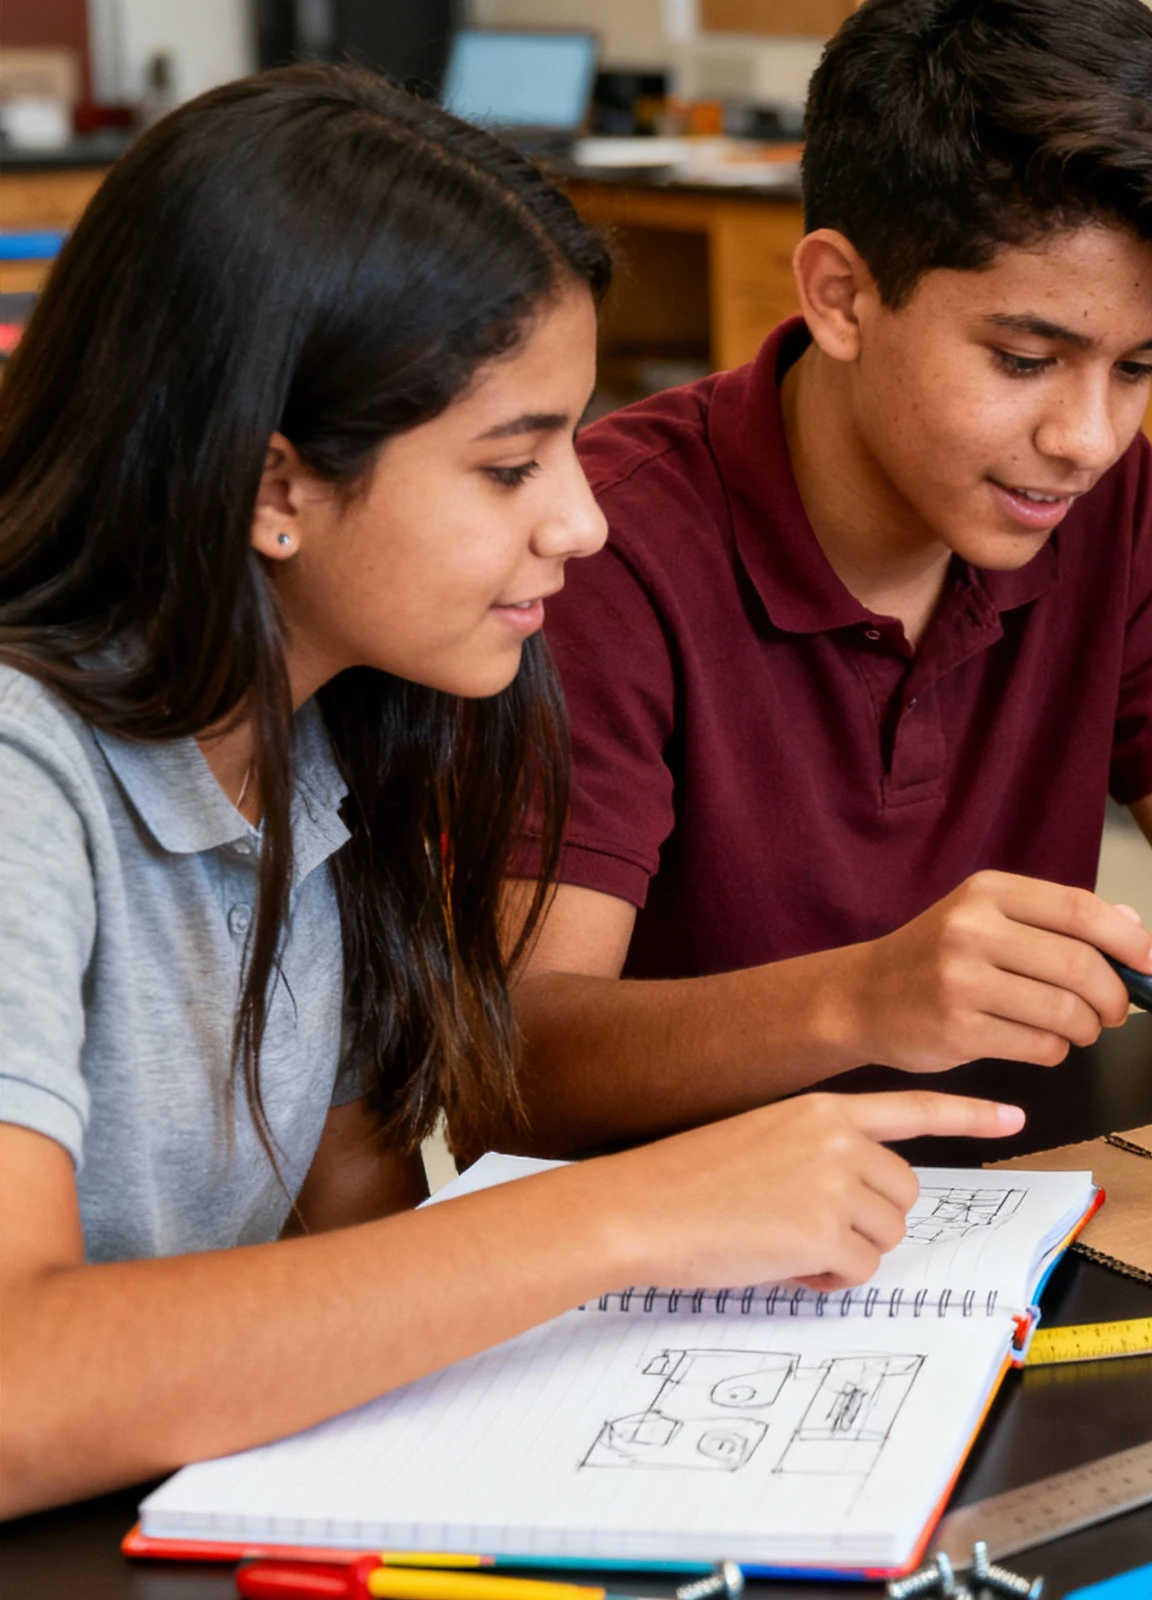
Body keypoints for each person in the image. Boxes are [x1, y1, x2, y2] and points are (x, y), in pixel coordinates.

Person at [0, 69, 1011, 1519]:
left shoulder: (324, 736)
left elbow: (355, 1249)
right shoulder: (21, 772)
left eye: (574, 445)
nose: (582, 521)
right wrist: (625, 1213)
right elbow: (18, 1389)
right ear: (272, 487)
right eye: (510, 465)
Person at [510, 0, 1152, 1150]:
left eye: (1137, 369)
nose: (1088, 439)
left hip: (1024, 1202)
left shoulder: (1093, 499)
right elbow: (520, 1058)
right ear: (841, 295)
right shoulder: (603, 549)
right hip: (698, 1238)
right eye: (1023, 358)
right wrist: (862, 999)